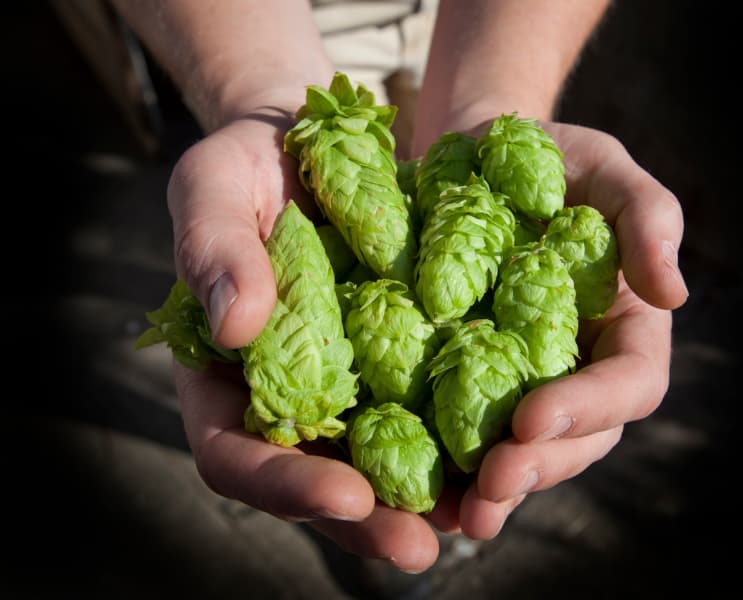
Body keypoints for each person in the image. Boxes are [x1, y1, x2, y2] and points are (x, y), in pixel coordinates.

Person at [111, 0, 689, 574]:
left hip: (480, 26)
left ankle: (373, 540)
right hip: (243, 31)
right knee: (328, 493)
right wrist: (260, 99)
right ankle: (354, 540)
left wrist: (492, 92)